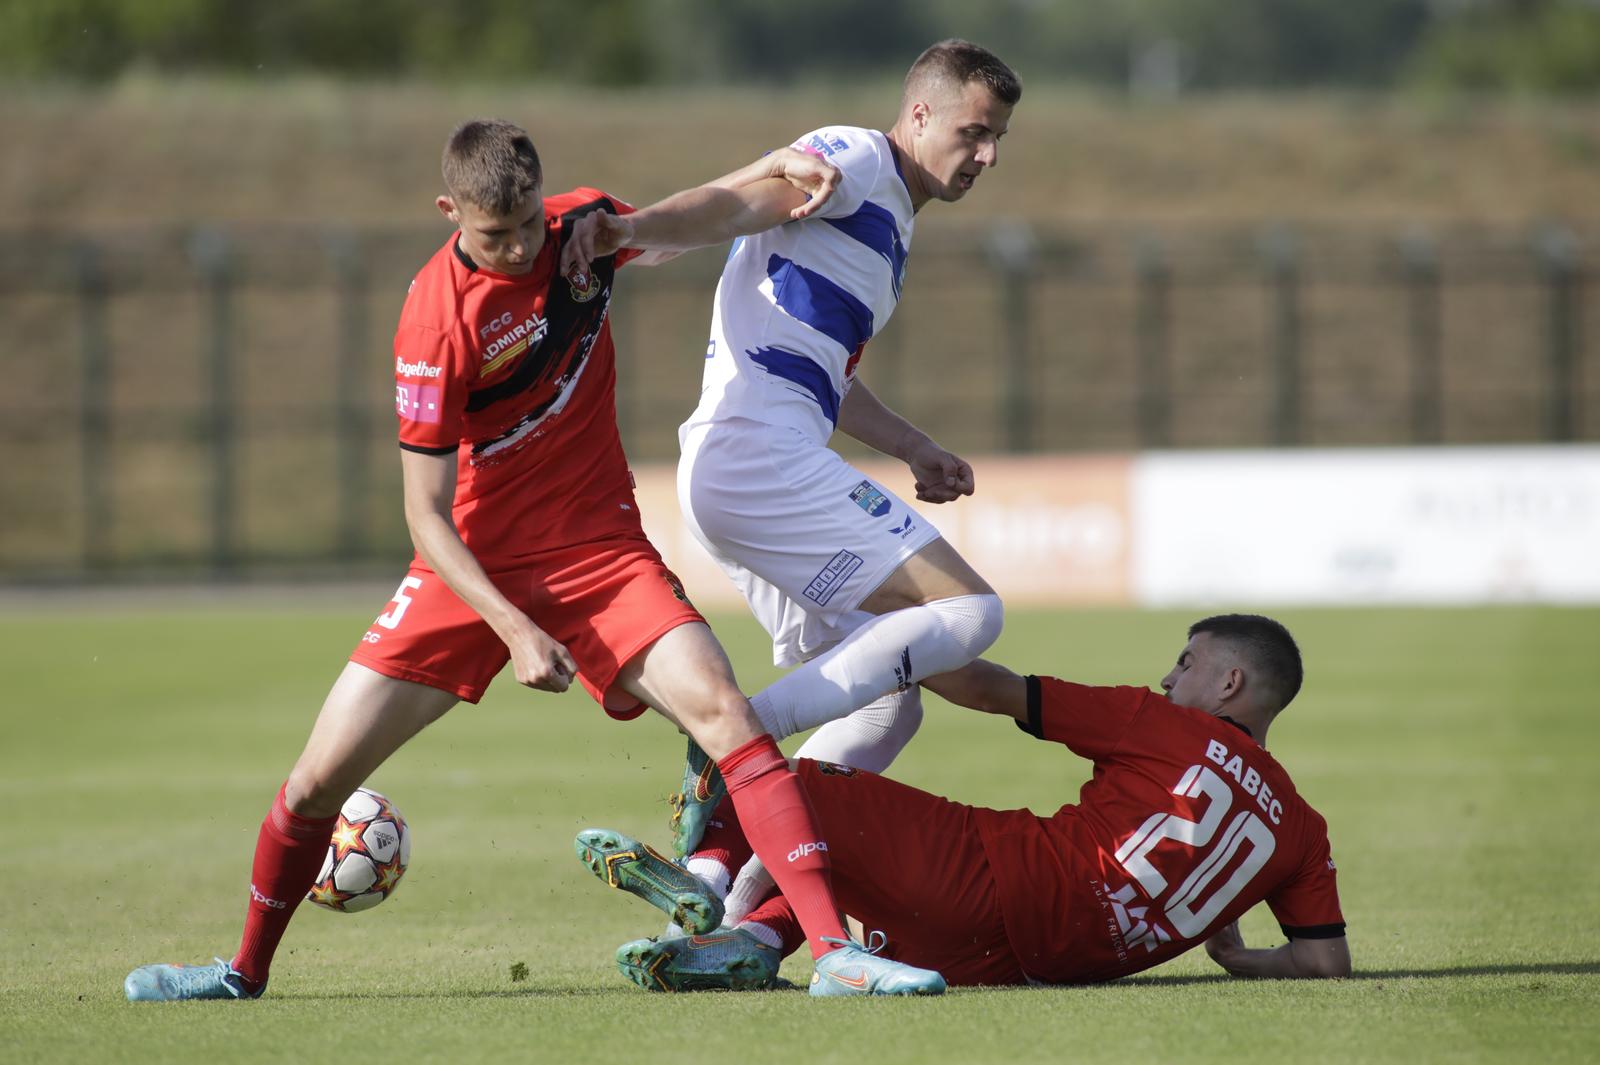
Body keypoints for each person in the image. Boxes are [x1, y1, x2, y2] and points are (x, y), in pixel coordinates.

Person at [123, 118, 949, 1002]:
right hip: (471, 569)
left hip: (600, 552)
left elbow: (679, 222)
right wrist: (513, 628)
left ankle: (832, 954)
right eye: (493, 234)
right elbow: (426, 515)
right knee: (319, 777)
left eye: (527, 224)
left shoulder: (579, 234)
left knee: (727, 715)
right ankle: (241, 970)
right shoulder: (434, 319)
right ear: (449, 212)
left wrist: (766, 166)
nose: (519, 248)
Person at [558, 39, 1023, 864]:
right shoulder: (855, 155)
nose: (986, 155)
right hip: (758, 455)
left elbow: (825, 375)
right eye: (974, 132)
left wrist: (916, 446)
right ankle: (732, 735)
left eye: (997, 141)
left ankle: (719, 889)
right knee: (969, 612)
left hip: (745, 463)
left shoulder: (892, 227)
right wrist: (630, 230)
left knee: (886, 708)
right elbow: (739, 205)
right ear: (919, 114)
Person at [576, 615, 1352, 990]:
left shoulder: (1166, 724)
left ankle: (703, 881)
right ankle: (755, 941)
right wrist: (1237, 955)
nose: (1166, 679)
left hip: (993, 880)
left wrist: (899, 631)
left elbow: (988, 688)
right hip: (1012, 965)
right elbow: (1324, 961)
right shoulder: (1302, 829)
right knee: (835, 871)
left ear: (1229, 685)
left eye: (1186, 663)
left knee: (770, 773)